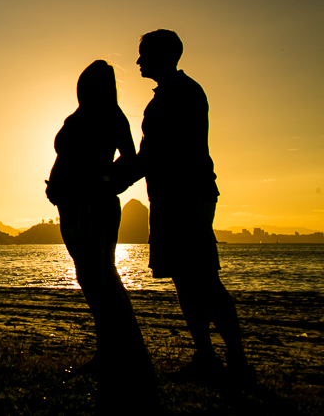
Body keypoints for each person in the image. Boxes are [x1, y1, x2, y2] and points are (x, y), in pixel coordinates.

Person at [126, 29, 252, 383]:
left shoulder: (180, 95)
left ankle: (236, 361)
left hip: (186, 196)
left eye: (144, 54)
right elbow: (150, 156)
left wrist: (108, 182)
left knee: (202, 278)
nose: (138, 61)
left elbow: (152, 155)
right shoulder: (171, 95)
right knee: (185, 278)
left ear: (163, 56)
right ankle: (208, 358)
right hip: (173, 196)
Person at [46, 60, 154, 387]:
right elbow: (64, 157)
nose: (88, 89)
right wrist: (56, 186)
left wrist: (103, 182)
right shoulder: (76, 117)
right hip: (70, 207)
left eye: (95, 83)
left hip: (95, 205)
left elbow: (131, 160)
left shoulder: (112, 116)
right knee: (89, 277)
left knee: (101, 277)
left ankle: (128, 351)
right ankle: (109, 350)